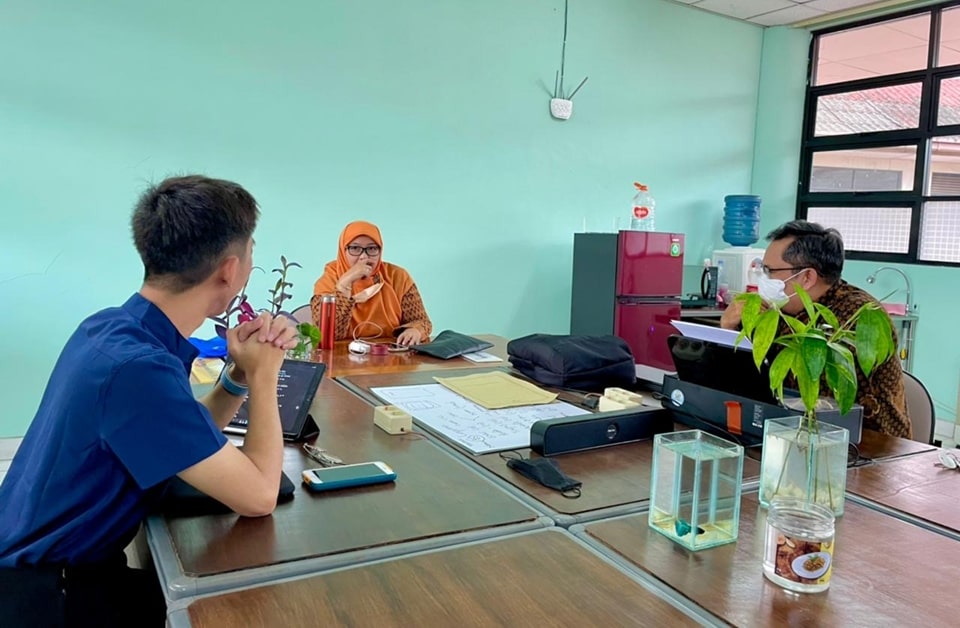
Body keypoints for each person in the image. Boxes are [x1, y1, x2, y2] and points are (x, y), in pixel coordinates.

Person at [0, 175, 299, 627]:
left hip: (48, 563)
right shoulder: (138, 370)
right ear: (229, 270)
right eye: (252, 250)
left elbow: (185, 429)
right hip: (47, 596)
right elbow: (258, 495)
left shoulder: (116, 328)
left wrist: (237, 374)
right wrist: (264, 374)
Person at [720, 220, 910, 439]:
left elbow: (818, 397)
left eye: (769, 270)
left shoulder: (857, 316)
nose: (764, 278)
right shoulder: (781, 309)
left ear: (807, 277)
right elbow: (740, 377)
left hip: (869, 446)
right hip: (792, 434)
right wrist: (728, 328)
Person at [312, 220, 432, 346]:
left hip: (389, 356)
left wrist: (415, 331)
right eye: (355, 248)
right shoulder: (328, 280)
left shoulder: (397, 277)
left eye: (372, 248)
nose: (364, 256)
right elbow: (325, 334)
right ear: (343, 250)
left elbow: (422, 321)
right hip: (340, 356)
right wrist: (344, 283)